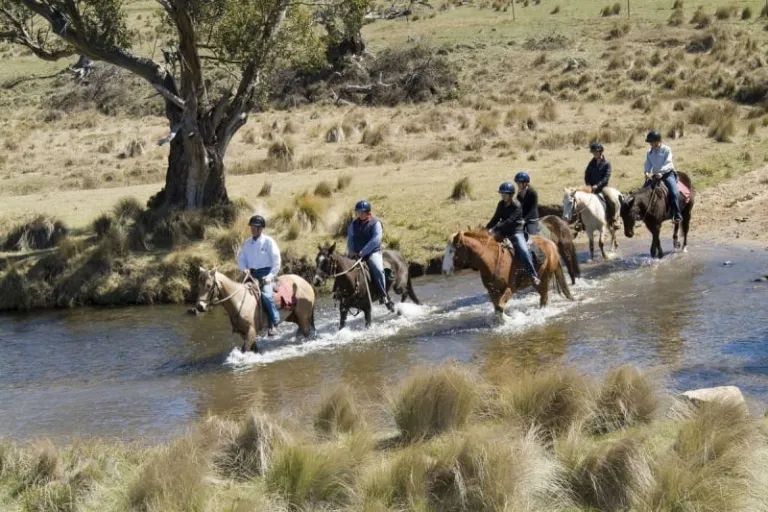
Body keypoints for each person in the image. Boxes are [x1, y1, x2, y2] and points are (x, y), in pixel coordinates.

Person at [486, 182, 541, 286]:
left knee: (523, 250)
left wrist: (495, 228)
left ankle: (533, 275)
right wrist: (486, 229)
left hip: (516, 231)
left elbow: (509, 221)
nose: (502, 196)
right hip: (503, 230)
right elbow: (495, 218)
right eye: (501, 194)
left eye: (504, 194)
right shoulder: (501, 204)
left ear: (511, 195)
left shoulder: (517, 206)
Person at [347, 200, 395, 312]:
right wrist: (351, 252)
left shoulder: (376, 223)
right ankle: (340, 294)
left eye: (360, 212)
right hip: (355, 253)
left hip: (372, 252)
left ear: (367, 212)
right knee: (344, 268)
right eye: (357, 212)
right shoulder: (353, 225)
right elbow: (350, 240)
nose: (358, 214)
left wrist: (363, 252)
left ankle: (383, 295)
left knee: (378, 269)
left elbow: (376, 240)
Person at [237, 215, 282, 336]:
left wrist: (270, 276)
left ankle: (274, 322)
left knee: (266, 295)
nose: (252, 229)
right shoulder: (247, 243)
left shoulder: (268, 242)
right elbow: (241, 258)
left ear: (261, 229)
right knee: (240, 296)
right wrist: (244, 268)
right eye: (251, 227)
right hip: (251, 275)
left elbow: (276, 261)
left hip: (266, 274)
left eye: (255, 227)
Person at [644, 130, 683, 223]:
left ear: (657, 141)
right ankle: (644, 214)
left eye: (651, 142)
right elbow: (648, 163)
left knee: (674, 192)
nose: (650, 144)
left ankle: (677, 214)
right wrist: (646, 172)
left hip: (667, 174)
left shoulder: (667, 149)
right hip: (655, 176)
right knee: (643, 191)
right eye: (649, 142)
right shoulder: (649, 152)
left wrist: (661, 172)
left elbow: (668, 163)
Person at [584, 142, 618, 229]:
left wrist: (597, 185)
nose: (594, 154)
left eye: (596, 152)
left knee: (611, 200)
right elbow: (586, 175)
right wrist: (588, 185)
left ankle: (614, 219)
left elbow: (606, 177)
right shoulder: (591, 163)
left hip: (603, 187)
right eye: (593, 152)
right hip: (591, 188)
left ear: (600, 152)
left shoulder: (607, 164)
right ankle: (580, 222)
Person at [514, 171, 539, 235]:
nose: (517, 185)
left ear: (525, 183)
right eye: (517, 183)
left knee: (532, 236)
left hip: (532, 220)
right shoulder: (519, 194)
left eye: (519, 183)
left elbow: (533, 209)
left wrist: (524, 220)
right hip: (522, 219)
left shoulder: (533, 193)